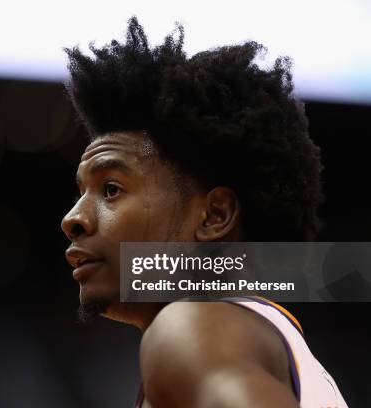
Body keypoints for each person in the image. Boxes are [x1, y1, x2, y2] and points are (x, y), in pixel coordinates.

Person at [60, 16, 348, 407]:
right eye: (81, 193)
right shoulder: (262, 343)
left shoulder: (191, 328)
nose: (73, 219)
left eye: (111, 189)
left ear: (214, 216)